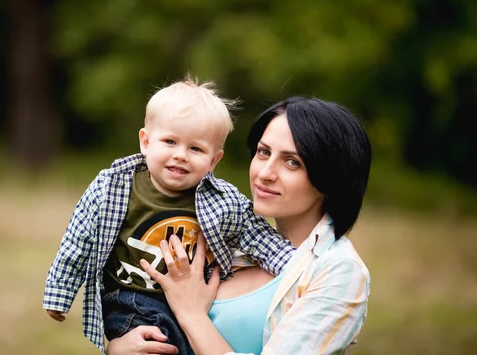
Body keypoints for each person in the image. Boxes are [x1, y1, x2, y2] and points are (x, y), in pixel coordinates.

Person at [42, 77, 295, 353]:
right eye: (170, 142)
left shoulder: (224, 200)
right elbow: (78, 241)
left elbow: (257, 235)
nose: (181, 155)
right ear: (146, 142)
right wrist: (60, 294)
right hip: (132, 300)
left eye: (196, 148)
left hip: (195, 301)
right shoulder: (114, 186)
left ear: (214, 160)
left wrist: (300, 270)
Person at [108, 96, 372, 354]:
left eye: (292, 162)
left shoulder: (338, 270)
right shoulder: (229, 238)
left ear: (330, 178)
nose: (265, 173)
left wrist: (191, 315)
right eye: (263, 152)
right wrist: (119, 347)